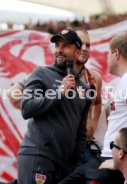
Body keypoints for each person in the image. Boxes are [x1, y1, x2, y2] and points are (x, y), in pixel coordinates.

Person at [61, 33, 127, 184]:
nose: (107, 58)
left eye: (108, 53)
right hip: (112, 158)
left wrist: (121, 159)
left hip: (115, 162)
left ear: (116, 53)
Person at [17, 29, 91, 184]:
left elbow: (81, 132)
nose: (59, 50)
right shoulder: (41, 73)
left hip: (64, 166)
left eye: (65, 46)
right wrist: (59, 92)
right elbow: (27, 108)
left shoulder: (85, 89)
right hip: (38, 156)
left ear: (77, 52)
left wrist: (75, 166)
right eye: (57, 45)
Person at [76, 30, 103, 161]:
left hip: (85, 145)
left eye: (88, 45)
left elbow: (97, 102)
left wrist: (93, 124)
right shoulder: (55, 75)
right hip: (62, 147)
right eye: (80, 44)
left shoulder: (95, 77)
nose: (84, 49)